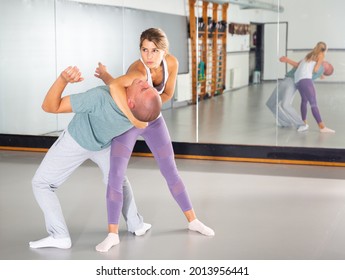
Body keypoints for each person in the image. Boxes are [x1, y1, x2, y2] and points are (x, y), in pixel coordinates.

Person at [94, 28, 215, 253]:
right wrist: (134, 116)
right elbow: (114, 87)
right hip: (128, 123)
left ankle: (193, 220)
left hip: (154, 121)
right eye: (144, 49)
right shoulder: (138, 69)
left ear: (164, 51)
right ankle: (112, 234)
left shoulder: (172, 63)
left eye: (154, 50)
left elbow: (167, 94)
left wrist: (149, 108)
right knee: (116, 176)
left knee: (170, 171)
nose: (148, 56)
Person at [29, 65, 162, 249]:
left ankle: (59, 236)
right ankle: (136, 224)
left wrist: (63, 79)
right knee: (118, 181)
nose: (143, 82)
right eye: (148, 85)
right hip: (103, 144)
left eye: (143, 88)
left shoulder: (99, 98)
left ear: (131, 102)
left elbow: (50, 106)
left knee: (41, 184)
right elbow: (118, 89)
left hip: (76, 141)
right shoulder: (138, 117)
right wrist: (106, 75)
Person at [266, 56, 334, 132]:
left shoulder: (319, 68)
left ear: (325, 69)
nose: (325, 61)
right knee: (270, 103)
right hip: (286, 79)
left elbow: (300, 66)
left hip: (291, 81)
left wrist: (287, 60)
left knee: (285, 105)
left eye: (327, 64)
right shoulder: (315, 65)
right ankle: (286, 122)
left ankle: (301, 124)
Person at [294, 41, 335, 133]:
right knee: (313, 103)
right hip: (306, 80)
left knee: (304, 101)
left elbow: (305, 66)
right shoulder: (321, 55)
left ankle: (304, 124)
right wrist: (319, 73)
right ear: (325, 49)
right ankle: (322, 127)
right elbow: (316, 69)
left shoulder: (309, 54)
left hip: (298, 80)